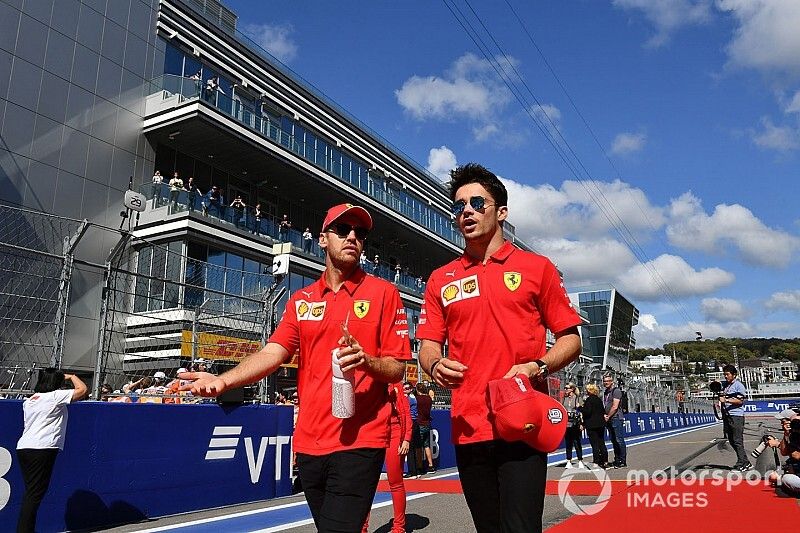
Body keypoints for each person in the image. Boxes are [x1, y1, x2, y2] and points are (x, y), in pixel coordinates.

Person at [181, 203, 411, 532]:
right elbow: (273, 352)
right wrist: (224, 380)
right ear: (322, 239)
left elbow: (397, 368)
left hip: (361, 440)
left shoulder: (384, 293)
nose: (352, 237)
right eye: (342, 230)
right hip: (309, 443)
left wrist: (366, 361)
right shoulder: (302, 300)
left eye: (360, 233)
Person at [417, 163, 582, 533]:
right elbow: (428, 345)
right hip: (469, 425)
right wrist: (435, 365)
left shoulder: (537, 267)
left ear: (501, 211)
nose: (467, 211)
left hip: (522, 420)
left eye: (477, 203)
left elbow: (571, 339)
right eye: (459, 206)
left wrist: (537, 366)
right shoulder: (441, 279)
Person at [16, 368, 87, 533]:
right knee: (34, 495)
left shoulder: (31, 400)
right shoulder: (54, 396)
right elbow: (82, 390)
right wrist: (72, 376)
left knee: (31, 493)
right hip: (42, 447)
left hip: (24, 447)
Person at [362, 382, 412, 533]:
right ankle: (362, 527)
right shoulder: (368, 382)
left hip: (395, 432)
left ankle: (399, 527)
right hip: (373, 432)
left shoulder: (396, 384)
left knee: (395, 481)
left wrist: (406, 438)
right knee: (366, 483)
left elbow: (406, 412)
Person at [721, 364, 752, 471]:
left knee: (737, 440)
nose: (725, 376)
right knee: (731, 439)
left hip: (736, 415)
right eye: (724, 374)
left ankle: (742, 462)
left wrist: (726, 400)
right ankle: (744, 461)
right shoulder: (725, 385)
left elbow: (740, 401)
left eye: (727, 374)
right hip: (727, 415)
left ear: (734, 375)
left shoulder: (739, 385)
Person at [767, 408, 800, 494]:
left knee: (783, 478)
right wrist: (786, 433)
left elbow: (796, 455)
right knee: (773, 476)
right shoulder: (792, 434)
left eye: (783, 421)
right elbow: (784, 452)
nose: (781, 424)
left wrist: (777, 444)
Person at [601, 374, 627, 468]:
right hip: (609, 418)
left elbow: (615, 406)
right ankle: (617, 459)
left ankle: (622, 461)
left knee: (619, 440)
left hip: (616, 417)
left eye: (608, 381)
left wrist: (608, 416)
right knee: (613, 440)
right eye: (605, 381)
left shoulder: (616, 391)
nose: (606, 383)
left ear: (612, 382)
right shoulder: (606, 392)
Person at [581, 384, 608, 469]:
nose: (586, 391)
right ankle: (605, 461)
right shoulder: (598, 399)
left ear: (589, 391)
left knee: (594, 444)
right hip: (600, 423)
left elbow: (588, 412)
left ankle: (596, 462)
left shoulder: (589, 400)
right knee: (601, 443)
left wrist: (580, 408)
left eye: (587, 390)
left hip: (592, 424)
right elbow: (603, 411)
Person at [562, 383, 586, 469]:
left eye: (567, 388)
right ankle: (569, 460)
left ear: (572, 389)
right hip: (567, 423)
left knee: (577, 442)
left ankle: (580, 460)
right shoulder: (564, 399)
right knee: (568, 442)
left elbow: (582, 412)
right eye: (565, 388)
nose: (565, 390)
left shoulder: (578, 398)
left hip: (576, 423)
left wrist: (582, 424)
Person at [416, 381, 435, 474]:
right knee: (427, 445)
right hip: (427, 423)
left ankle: (419, 466)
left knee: (418, 446)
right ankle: (431, 465)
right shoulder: (428, 399)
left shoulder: (417, 399)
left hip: (419, 423)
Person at [402, 382, 421, 479]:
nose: (404, 390)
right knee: (415, 448)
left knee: (410, 448)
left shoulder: (409, 399)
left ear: (410, 389)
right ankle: (417, 470)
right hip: (415, 422)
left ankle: (412, 471)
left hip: (411, 422)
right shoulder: (413, 397)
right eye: (404, 388)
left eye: (406, 388)